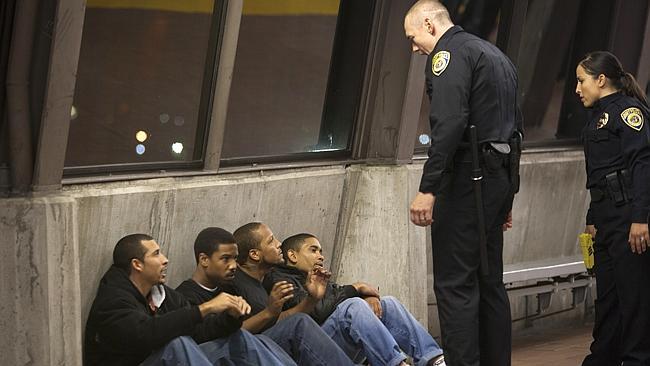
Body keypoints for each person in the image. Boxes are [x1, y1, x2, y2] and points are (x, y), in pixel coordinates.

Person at [404, 1, 522, 365]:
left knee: (455, 285)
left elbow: (450, 124)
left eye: (413, 37)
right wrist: (507, 198)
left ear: (429, 23)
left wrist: (429, 189)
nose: (413, 47)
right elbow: (516, 131)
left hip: (468, 180)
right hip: (497, 178)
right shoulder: (496, 55)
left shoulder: (449, 55)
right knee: (490, 284)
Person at [84, 233, 296, 366]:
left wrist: (231, 317)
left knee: (240, 339)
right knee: (178, 345)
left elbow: (200, 332)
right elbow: (146, 333)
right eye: (156, 254)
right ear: (137, 264)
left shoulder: (162, 294)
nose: (165, 259)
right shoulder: (113, 299)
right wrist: (204, 309)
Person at [176, 226, 355, 366]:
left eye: (235, 258)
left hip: (256, 347)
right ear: (204, 260)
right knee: (248, 339)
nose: (233, 266)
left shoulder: (232, 286)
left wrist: (312, 299)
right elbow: (210, 341)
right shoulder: (184, 296)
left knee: (293, 325)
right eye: (225, 259)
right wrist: (268, 312)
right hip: (215, 355)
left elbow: (273, 323)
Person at [266, 233, 446, 366]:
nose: (321, 256)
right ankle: (395, 363)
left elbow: (335, 297)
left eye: (321, 251)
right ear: (292, 255)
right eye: (313, 250)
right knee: (353, 307)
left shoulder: (318, 277)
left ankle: (433, 358)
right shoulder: (281, 278)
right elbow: (317, 311)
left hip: (338, 342)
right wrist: (356, 288)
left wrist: (366, 296)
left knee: (388, 304)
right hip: (312, 350)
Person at [575, 51, 650, 366]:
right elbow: (598, 174)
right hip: (607, 220)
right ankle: (603, 357)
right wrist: (593, 219)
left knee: (634, 298)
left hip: (629, 218)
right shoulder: (596, 117)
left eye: (581, 81)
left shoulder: (629, 112)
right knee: (608, 298)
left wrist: (640, 219)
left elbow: (643, 165)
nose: (577, 89)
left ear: (600, 80)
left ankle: (637, 359)